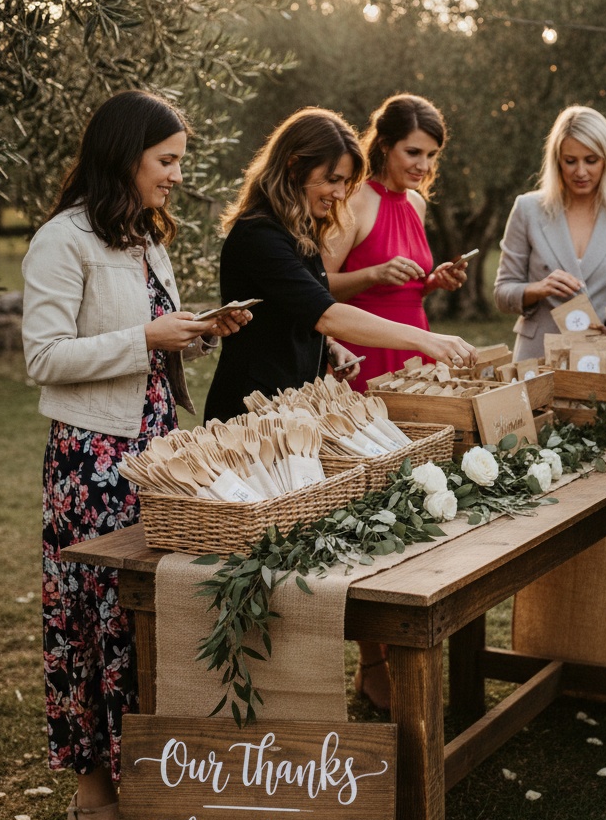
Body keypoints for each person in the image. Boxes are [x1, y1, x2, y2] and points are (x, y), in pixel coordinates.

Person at [21, 90, 250, 820]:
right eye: (167, 160)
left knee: (150, 621)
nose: (178, 175)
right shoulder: (63, 240)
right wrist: (145, 334)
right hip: (91, 462)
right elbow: (44, 357)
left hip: (152, 449)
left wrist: (197, 332)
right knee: (97, 627)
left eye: (179, 160)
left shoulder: (144, 237)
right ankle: (94, 797)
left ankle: (150, 784)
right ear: (126, 156)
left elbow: (147, 346)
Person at [203, 107, 476, 711]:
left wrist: (328, 349)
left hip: (294, 414)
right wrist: (425, 340)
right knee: (260, 566)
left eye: (345, 182)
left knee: (295, 561)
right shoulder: (256, 233)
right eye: (329, 179)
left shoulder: (292, 228)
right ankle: (249, 698)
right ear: (293, 167)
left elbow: (299, 311)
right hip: (251, 421)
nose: (338, 194)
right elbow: (322, 307)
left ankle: (293, 692)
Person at [326, 95, 469, 391]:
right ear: (384, 145)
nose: (424, 165)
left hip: (416, 346)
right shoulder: (355, 200)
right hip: (364, 351)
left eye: (432, 155)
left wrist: (432, 282)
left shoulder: (416, 203)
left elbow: (402, 293)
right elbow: (316, 288)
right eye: (413, 152)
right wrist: (373, 274)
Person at [493, 105, 606, 359]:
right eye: (570, 161)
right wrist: (539, 288)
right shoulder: (528, 208)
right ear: (556, 160)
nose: (580, 172)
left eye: (591, 160)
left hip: (602, 356)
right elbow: (502, 294)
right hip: (537, 355)